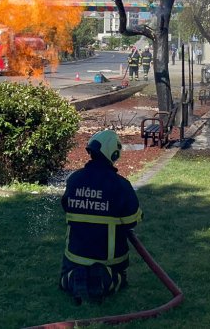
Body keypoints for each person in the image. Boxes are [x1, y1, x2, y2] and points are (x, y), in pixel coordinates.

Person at [60, 130, 142, 304]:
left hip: (75, 256)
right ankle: (106, 279)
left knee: (68, 276)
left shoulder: (74, 180)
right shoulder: (120, 185)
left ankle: (73, 278)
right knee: (118, 278)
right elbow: (132, 219)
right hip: (109, 260)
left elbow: (66, 207)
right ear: (114, 153)